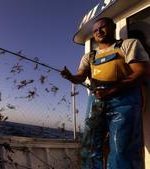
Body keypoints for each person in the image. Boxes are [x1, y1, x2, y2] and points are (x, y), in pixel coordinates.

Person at [61, 17, 149, 169]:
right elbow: (81, 76)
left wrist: (113, 89)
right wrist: (70, 77)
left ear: (113, 27)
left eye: (103, 27)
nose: (99, 32)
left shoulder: (128, 45)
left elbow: (141, 72)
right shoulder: (90, 56)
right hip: (96, 103)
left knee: (122, 150)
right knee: (89, 147)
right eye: (95, 30)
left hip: (124, 103)